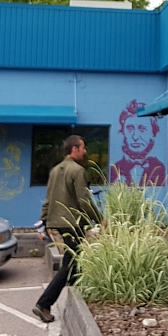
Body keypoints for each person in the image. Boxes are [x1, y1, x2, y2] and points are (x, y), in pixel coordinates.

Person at [32, 135, 102, 323]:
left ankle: (74, 296)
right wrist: (100, 219)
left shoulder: (55, 170)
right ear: (74, 149)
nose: (85, 151)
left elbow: (48, 200)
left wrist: (43, 223)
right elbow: (84, 201)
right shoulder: (78, 171)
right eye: (83, 147)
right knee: (71, 264)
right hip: (73, 223)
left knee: (75, 262)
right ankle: (43, 304)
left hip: (57, 222)